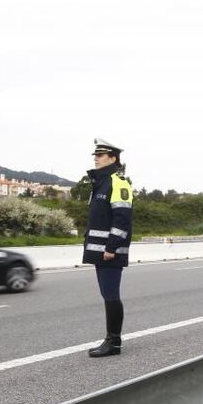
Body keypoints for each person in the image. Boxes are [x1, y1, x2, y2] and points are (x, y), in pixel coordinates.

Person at [83, 138, 133, 357]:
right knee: (107, 294)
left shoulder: (118, 183)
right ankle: (111, 339)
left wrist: (111, 248)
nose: (96, 158)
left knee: (111, 294)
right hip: (100, 251)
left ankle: (114, 342)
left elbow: (122, 220)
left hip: (109, 252)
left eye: (100, 155)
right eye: (95, 155)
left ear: (113, 158)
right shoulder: (100, 183)